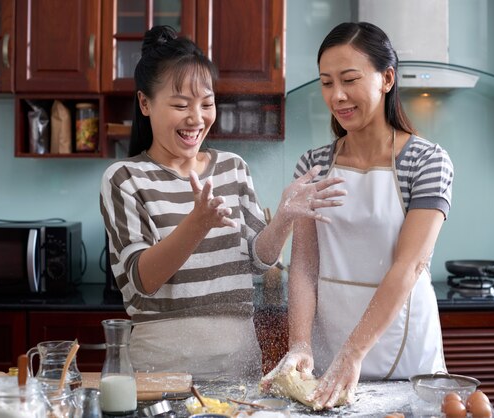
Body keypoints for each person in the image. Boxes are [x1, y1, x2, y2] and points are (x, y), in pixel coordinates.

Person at [99, 25, 346, 381]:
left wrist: (284, 219)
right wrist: (196, 224)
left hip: (238, 363)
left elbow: (259, 261)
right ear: (145, 103)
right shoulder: (125, 177)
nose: (196, 118)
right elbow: (143, 279)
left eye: (206, 103)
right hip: (160, 370)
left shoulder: (233, 168)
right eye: (180, 105)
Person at [265, 22, 454, 409]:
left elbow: (410, 266)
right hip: (329, 354)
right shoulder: (314, 164)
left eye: (349, 79)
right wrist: (300, 344)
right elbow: (302, 265)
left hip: (406, 363)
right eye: (326, 83)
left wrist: (354, 352)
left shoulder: (427, 161)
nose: (337, 96)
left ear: (386, 79)